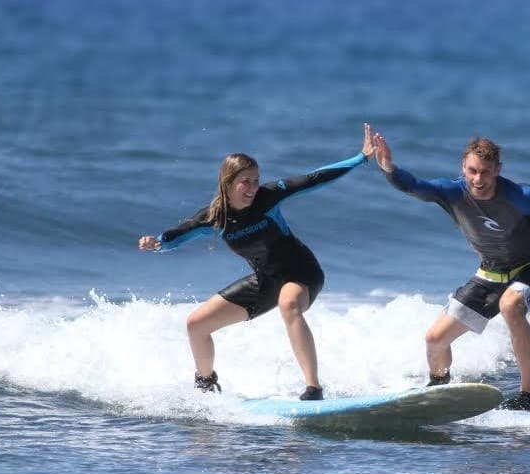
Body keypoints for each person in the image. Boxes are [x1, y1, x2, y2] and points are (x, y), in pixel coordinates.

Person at [373, 133, 530, 411]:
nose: (478, 179)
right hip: (491, 272)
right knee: (435, 339)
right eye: (472, 171)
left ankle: (529, 396)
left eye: (486, 172)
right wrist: (388, 167)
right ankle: (438, 388)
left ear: (498, 170)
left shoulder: (523, 197)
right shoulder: (451, 192)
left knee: (510, 305)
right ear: (463, 168)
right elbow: (415, 186)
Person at [138, 124, 377, 399]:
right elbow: (176, 236)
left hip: (301, 271)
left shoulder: (268, 197)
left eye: (256, 180)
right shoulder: (215, 217)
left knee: (288, 304)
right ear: (228, 183)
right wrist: (156, 244)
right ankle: (206, 386)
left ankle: (314, 388)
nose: (253, 188)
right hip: (266, 281)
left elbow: (314, 178)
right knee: (196, 324)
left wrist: (361, 157)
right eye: (246, 181)